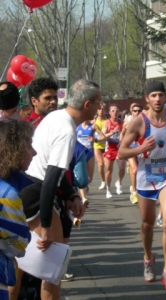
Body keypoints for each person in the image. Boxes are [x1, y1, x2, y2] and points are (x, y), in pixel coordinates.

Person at [18, 79, 98, 300]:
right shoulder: (66, 130)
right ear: (87, 104)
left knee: (20, 268)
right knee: (53, 270)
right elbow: (51, 177)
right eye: (98, 103)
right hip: (36, 191)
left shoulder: (56, 117)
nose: (100, 108)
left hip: (27, 187)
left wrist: (72, 195)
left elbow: (52, 170)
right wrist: (45, 225)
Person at [118, 80, 166, 290]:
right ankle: (148, 259)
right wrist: (140, 149)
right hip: (146, 177)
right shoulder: (138, 122)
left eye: (160, 95)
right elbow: (121, 151)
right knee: (147, 224)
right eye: (153, 95)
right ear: (147, 99)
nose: (157, 99)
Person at [0, 119, 35, 300]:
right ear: (14, 151)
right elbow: (19, 245)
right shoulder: (7, 195)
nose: (34, 152)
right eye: (29, 146)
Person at [121, 103, 143, 204]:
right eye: (135, 111)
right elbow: (121, 138)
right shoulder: (127, 121)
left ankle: (139, 189)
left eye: (139, 111)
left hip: (140, 148)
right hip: (130, 148)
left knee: (140, 170)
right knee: (135, 169)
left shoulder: (144, 121)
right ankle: (134, 192)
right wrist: (124, 129)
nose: (137, 112)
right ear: (131, 112)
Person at [102, 104, 126, 198]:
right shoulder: (107, 123)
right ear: (109, 112)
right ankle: (108, 189)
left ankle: (118, 182)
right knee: (109, 170)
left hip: (119, 149)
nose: (114, 113)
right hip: (109, 148)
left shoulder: (122, 123)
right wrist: (113, 132)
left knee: (122, 167)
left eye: (116, 111)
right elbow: (103, 136)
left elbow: (126, 134)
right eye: (112, 111)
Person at [76, 120, 96, 205]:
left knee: (89, 178)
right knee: (82, 175)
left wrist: (93, 139)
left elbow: (101, 137)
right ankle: (84, 198)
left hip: (90, 152)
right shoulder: (77, 127)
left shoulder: (93, 126)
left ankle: (85, 187)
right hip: (81, 153)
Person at [92, 102, 108, 189]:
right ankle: (103, 181)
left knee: (107, 165)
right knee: (101, 164)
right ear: (97, 110)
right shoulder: (94, 121)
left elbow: (106, 135)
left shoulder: (107, 121)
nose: (101, 111)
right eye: (99, 109)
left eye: (102, 109)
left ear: (105, 110)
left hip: (106, 145)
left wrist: (98, 130)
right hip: (97, 145)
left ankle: (108, 180)